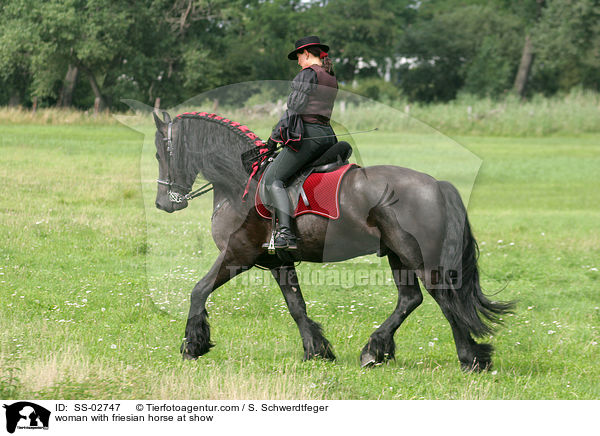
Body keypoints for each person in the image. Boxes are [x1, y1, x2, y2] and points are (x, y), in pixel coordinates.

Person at [263, 36, 338, 251]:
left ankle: (286, 234)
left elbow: (293, 110)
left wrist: (272, 140)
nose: (298, 62)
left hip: (309, 136)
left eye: (298, 57)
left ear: (306, 53)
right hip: (328, 136)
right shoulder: (330, 76)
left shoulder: (307, 74)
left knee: (273, 178)